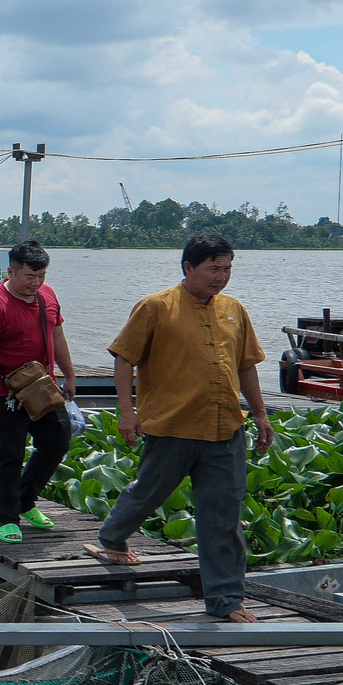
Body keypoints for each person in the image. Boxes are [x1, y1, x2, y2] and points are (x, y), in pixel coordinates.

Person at [90, 234, 272, 622]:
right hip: (171, 426)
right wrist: (127, 412)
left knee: (223, 516)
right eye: (213, 269)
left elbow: (246, 365)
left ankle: (226, 600)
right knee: (148, 494)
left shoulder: (234, 310)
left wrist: (260, 414)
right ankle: (112, 537)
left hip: (226, 429)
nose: (221, 277)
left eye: (227, 269)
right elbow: (124, 359)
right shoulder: (156, 307)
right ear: (188, 267)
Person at [0, 240, 76, 544]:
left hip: (42, 385)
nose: (36, 283)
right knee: (10, 453)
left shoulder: (47, 295)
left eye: (41, 276)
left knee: (57, 441)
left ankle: (25, 500)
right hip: (4, 391)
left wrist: (69, 375)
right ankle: (7, 518)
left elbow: (58, 335)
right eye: (29, 277)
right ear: (10, 272)